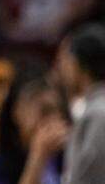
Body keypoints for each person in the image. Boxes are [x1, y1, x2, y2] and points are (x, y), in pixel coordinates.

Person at [54, 23, 105, 184]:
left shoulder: (97, 114)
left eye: (66, 60)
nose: (61, 67)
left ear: (77, 64)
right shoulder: (91, 109)